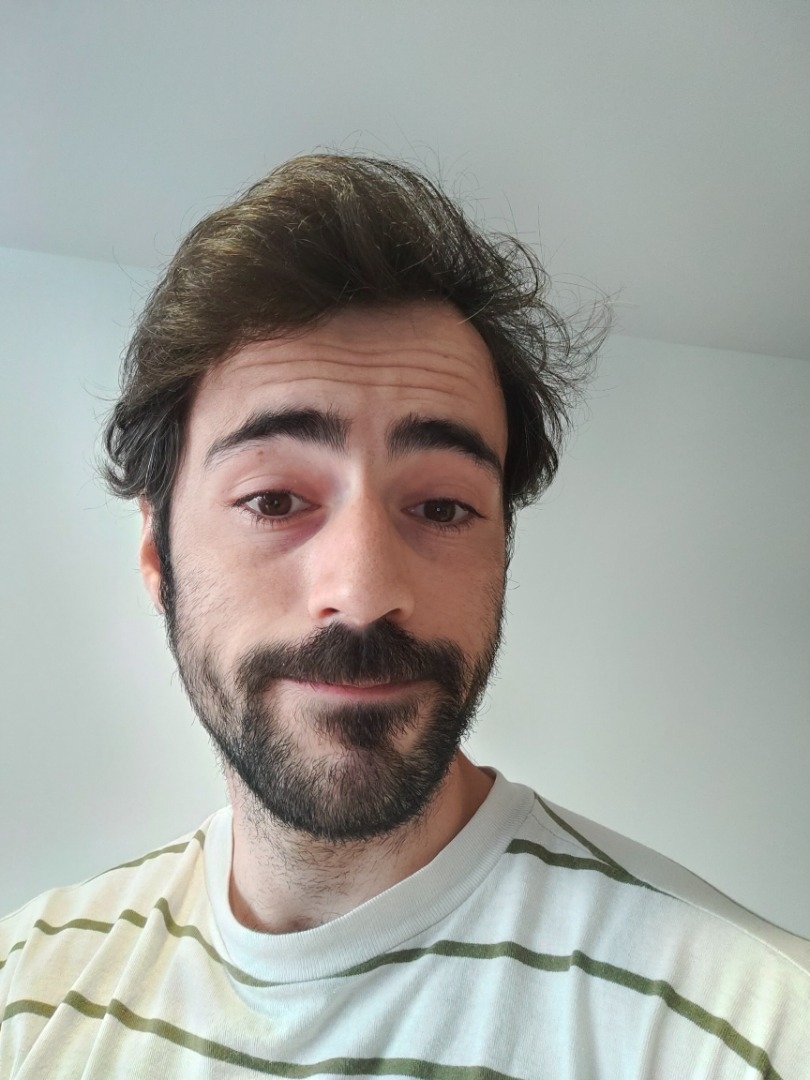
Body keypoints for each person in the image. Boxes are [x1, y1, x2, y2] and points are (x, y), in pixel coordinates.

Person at [1, 154, 807, 1079]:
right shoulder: (29, 992)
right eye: (274, 500)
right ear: (156, 552)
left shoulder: (751, 1033)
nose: (364, 589)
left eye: (441, 507)